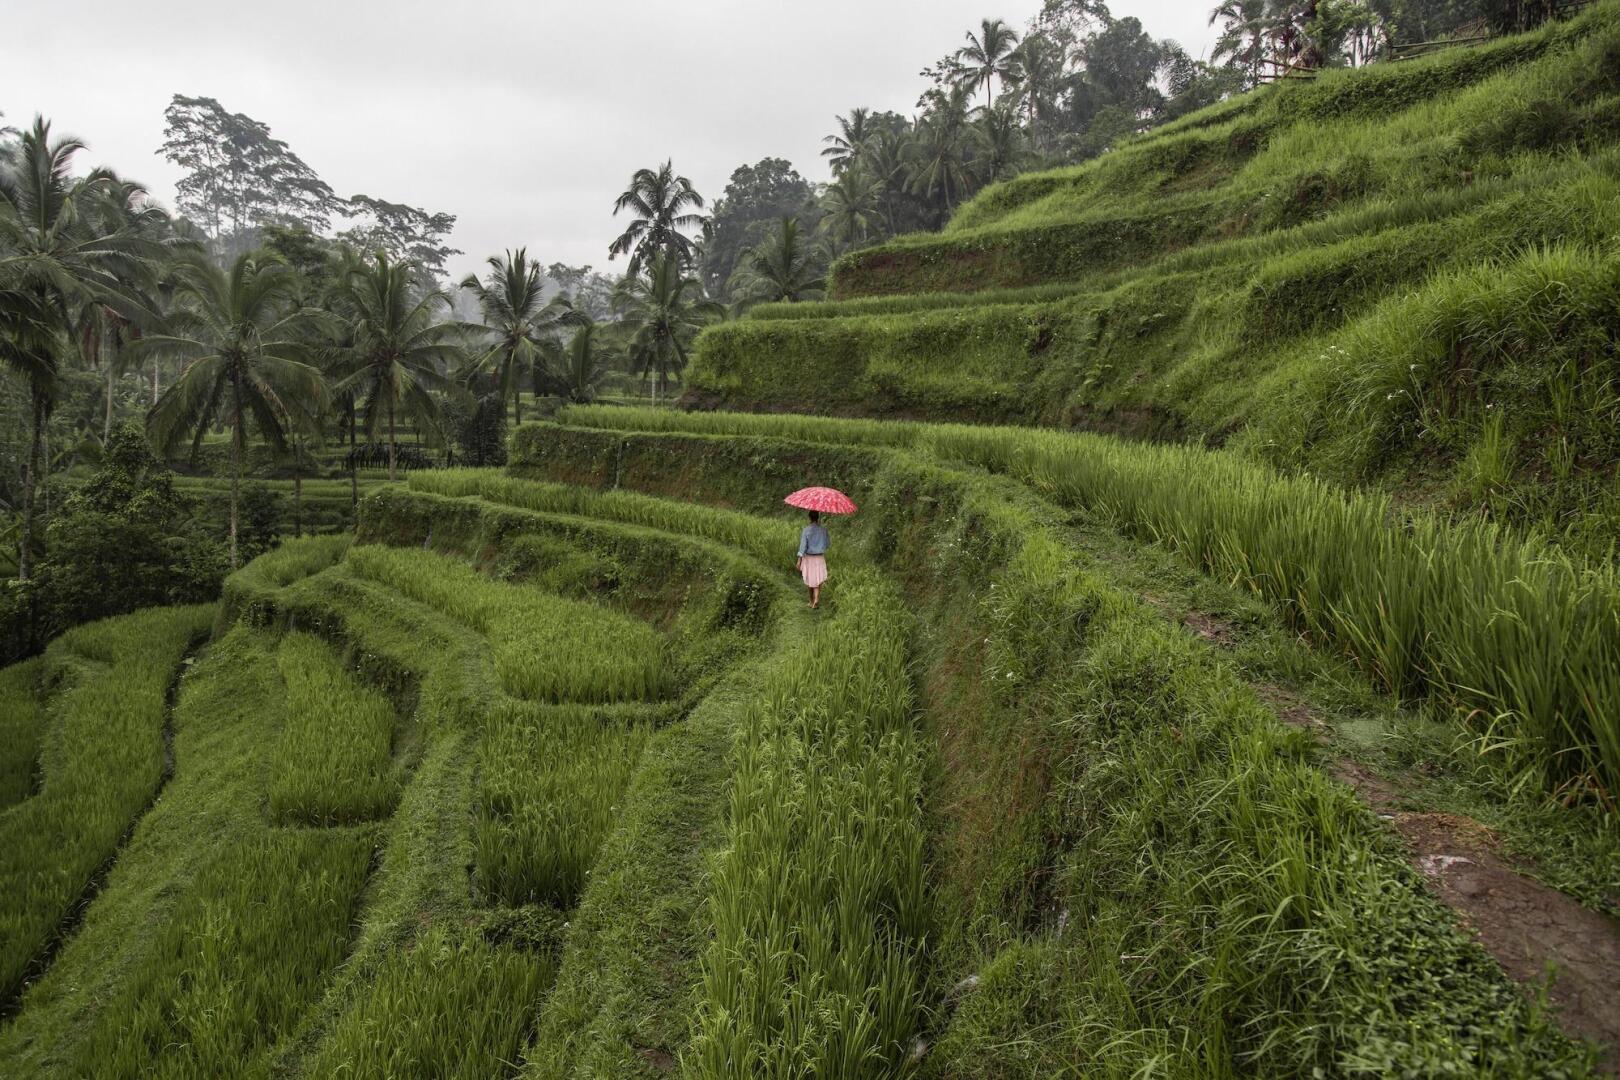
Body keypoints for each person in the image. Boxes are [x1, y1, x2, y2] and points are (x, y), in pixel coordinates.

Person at [796, 509, 830, 608]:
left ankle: (811, 601)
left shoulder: (806, 530)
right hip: (819, 557)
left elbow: (803, 547)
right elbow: (827, 544)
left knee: (810, 579)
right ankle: (816, 599)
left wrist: (799, 560)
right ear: (818, 517)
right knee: (818, 579)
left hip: (809, 558)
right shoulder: (824, 530)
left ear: (809, 518)